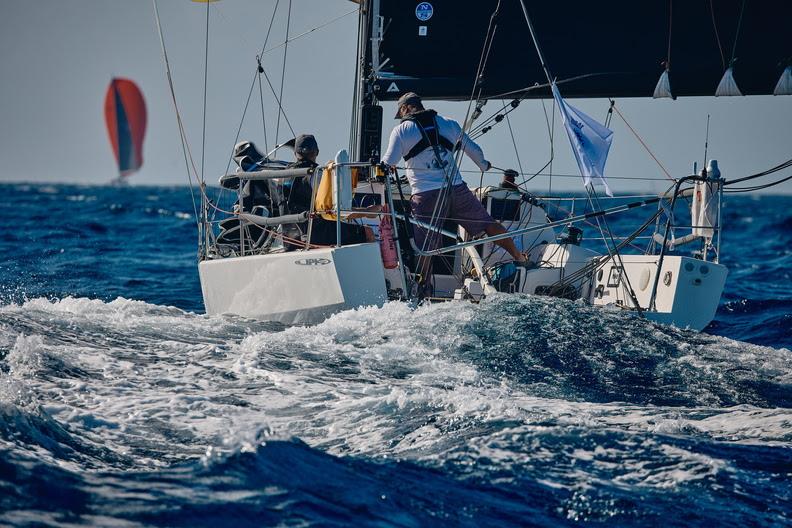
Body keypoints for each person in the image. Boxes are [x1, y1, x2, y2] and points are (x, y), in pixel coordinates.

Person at [381, 92, 528, 284]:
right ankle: (519, 256)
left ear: (405, 109)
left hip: (425, 195)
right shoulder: (449, 124)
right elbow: (475, 151)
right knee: (488, 224)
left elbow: (388, 162)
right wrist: (484, 166)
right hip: (457, 190)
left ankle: (422, 290)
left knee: (426, 248)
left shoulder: (402, 130)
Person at [282, 134, 374, 249]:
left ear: (295, 153)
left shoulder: (283, 175)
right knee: (368, 232)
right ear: (317, 152)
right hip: (317, 234)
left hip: (290, 238)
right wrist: (368, 211)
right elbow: (335, 210)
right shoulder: (317, 174)